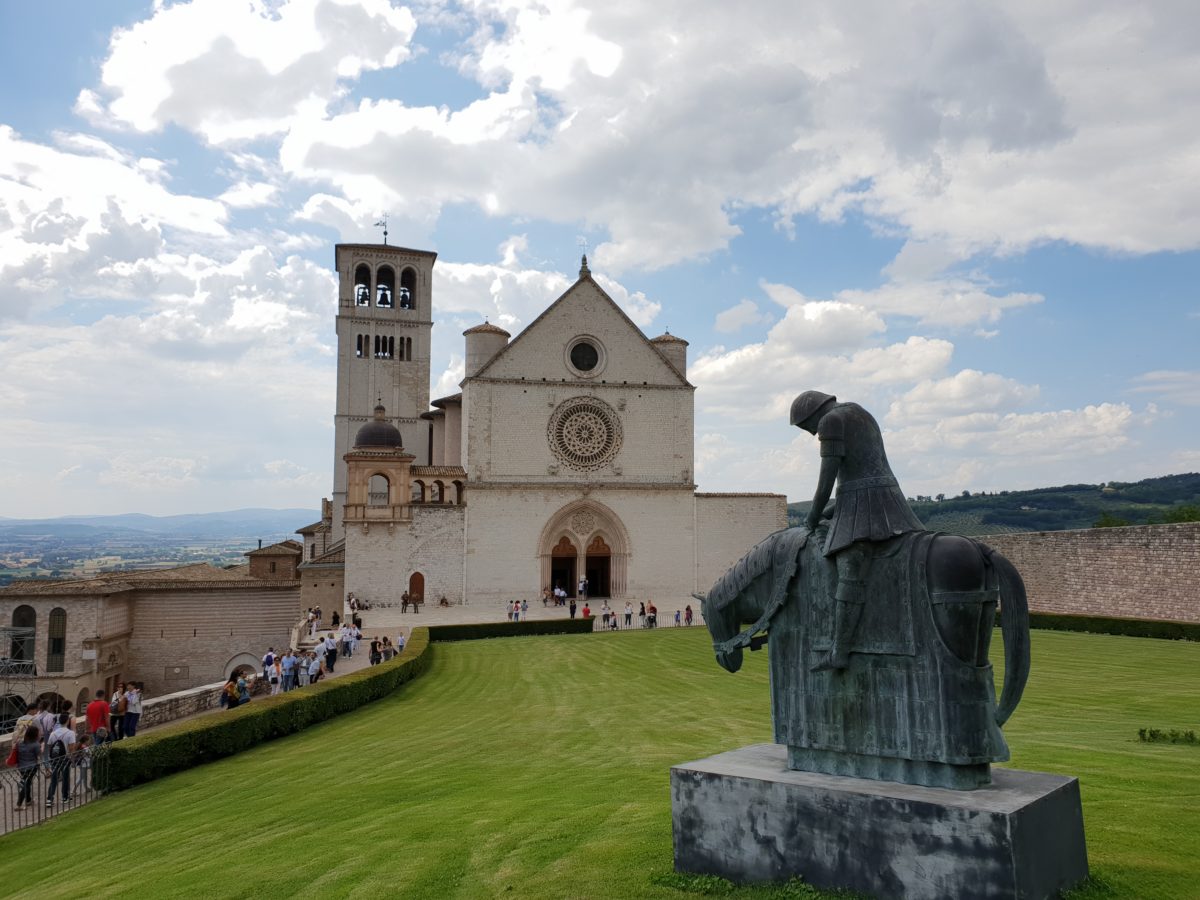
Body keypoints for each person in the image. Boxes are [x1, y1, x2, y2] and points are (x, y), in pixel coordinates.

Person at [791, 390, 925, 671]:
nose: (813, 433)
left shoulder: (831, 421)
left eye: (808, 428)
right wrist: (828, 513)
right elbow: (859, 474)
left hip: (866, 505)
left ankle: (839, 651)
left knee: (849, 564)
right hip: (882, 498)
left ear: (814, 414)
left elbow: (827, 479)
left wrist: (812, 518)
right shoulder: (859, 411)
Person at [46, 712, 76, 806]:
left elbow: (50, 746)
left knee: (54, 778)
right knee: (65, 777)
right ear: (67, 721)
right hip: (65, 757)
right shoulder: (70, 733)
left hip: (55, 758)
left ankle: (50, 799)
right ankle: (64, 796)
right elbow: (71, 748)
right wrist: (72, 758)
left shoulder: (53, 733)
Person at [13, 723, 42, 811]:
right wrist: (42, 746)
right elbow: (39, 755)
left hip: (21, 767)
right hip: (32, 767)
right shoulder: (36, 744)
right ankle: (18, 804)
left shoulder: (20, 743)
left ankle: (28, 800)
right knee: (26, 784)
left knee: (27, 782)